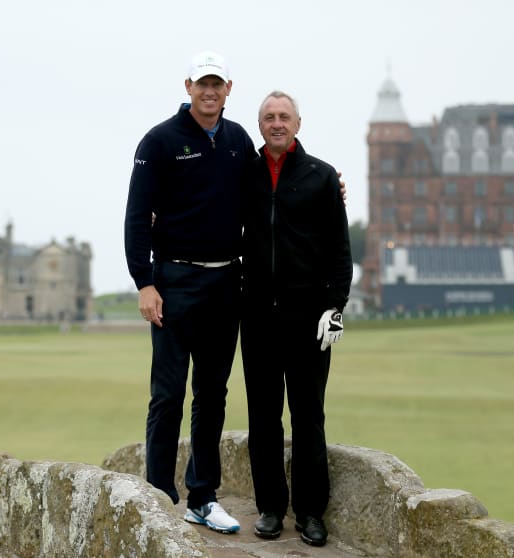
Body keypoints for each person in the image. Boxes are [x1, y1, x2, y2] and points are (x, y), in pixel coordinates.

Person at [123, 51, 252, 534]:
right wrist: (145, 282)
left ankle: (202, 496)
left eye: (217, 84)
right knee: (168, 394)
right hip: (174, 281)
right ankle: (157, 499)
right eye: (202, 84)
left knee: (212, 394)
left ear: (228, 88)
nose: (210, 92)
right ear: (188, 86)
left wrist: (330, 188)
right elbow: (137, 217)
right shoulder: (159, 141)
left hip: (226, 281)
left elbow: (268, 191)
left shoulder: (238, 140)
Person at [240, 91, 352, 547]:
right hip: (257, 317)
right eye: (269, 117)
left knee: (308, 416)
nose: (277, 123)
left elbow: (340, 250)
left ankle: (310, 512)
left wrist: (336, 308)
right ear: (260, 125)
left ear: (298, 124)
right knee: (264, 416)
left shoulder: (322, 177)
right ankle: (270, 507)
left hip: (309, 318)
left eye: (284, 116)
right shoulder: (243, 173)